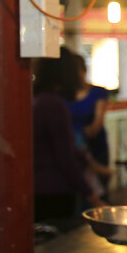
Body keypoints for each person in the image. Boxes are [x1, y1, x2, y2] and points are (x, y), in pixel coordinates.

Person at [33, 47, 106, 221]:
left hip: (39, 188)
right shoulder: (53, 105)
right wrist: (92, 196)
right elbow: (65, 157)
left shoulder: (39, 100)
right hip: (53, 191)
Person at [67, 53, 111, 196]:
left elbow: (97, 124)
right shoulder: (63, 95)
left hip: (93, 146)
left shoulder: (98, 92)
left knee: (98, 191)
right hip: (71, 149)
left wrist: (77, 137)